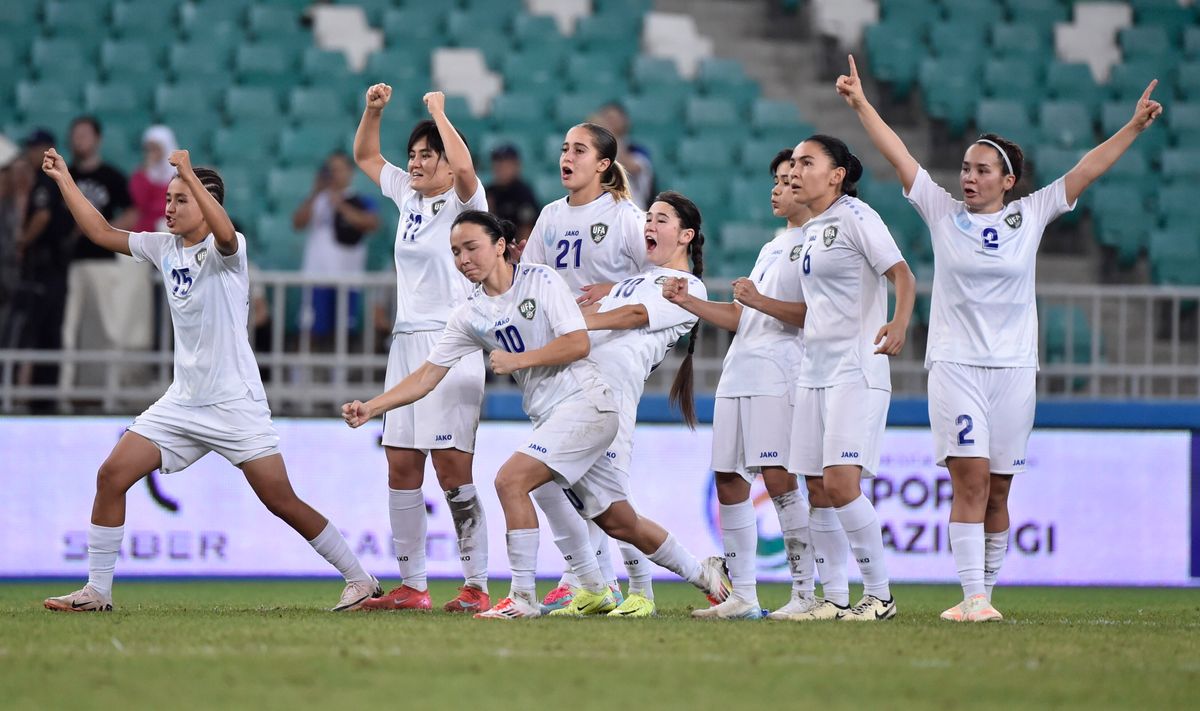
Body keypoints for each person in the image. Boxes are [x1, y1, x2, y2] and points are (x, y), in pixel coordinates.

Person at [836, 55, 1163, 622]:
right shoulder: (941, 212)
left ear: (1008, 181)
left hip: (1014, 370)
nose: (969, 177)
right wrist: (862, 105)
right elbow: (899, 155)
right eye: (966, 167)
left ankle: (984, 595)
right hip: (955, 366)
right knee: (971, 480)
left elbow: (1087, 169)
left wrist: (1133, 127)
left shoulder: (1031, 215)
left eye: (983, 170)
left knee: (1000, 491)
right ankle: (973, 596)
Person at [341, 210, 731, 619]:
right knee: (620, 520)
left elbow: (578, 343)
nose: (463, 259)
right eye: (455, 252)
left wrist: (519, 360)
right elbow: (427, 375)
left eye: (471, 247)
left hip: (588, 403)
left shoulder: (541, 280)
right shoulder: (470, 314)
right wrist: (372, 406)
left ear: (500, 246)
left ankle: (523, 597)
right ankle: (705, 578)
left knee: (511, 480)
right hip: (554, 415)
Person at [38, 147, 380, 613]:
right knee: (111, 475)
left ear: (206, 203)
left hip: (234, 403)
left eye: (181, 199)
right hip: (183, 402)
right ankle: (97, 591)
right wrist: (64, 179)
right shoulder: (163, 247)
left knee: (280, 500)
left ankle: (361, 580)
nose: (169, 208)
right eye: (169, 198)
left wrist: (188, 174)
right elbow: (101, 232)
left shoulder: (228, 251)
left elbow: (224, 233)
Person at [661, 151, 820, 619]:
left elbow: (817, 315)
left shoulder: (820, 243)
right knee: (729, 480)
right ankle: (743, 596)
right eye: (776, 180)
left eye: (788, 180)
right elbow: (740, 315)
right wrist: (690, 302)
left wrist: (760, 300)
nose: (778, 188)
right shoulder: (774, 245)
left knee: (779, 480)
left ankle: (805, 593)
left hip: (779, 373)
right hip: (740, 370)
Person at [352, 84, 492, 613]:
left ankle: (476, 585)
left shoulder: (465, 202)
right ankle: (413, 587)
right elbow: (366, 155)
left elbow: (466, 167)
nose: (414, 162)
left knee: (452, 470)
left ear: (447, 164)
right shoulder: (407, 197)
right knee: (401, 467)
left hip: (452, 341)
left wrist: (437, 111)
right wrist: (373, 111)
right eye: (412, 154)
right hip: (406, 342)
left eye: (426, 155)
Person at [780, 133, 915, 621]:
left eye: (806, 162)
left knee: (840, 484)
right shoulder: (812, 228)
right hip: (814, 371)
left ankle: (880, 595)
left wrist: (898, 322)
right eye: (794, 163)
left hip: (855, 368)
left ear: (836, 175)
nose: (795, 171)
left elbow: (903, 274)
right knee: (816, 489)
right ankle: (834, 598)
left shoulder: (857, 217)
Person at [521, 121, 648, 613]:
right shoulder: (551, 216)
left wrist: (613, 291)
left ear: (603, 164)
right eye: (564, 148)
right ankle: (593, 580)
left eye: (579, 150)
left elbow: (661, 276)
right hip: (565, 359)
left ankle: (614, 585)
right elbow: (531, 278)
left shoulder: (625, 216)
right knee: (569, 474)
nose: (566, 157)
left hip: (612, 356)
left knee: (604, 474)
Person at [574, 190, 715, 618]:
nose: (649, 225)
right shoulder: (635, 279)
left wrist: (579, 321)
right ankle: (598, 587)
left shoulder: (687, 288)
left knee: (611, 501)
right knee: (581, 494)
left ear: (686, 235)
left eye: (662, 219)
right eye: (648, 217)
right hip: (583, 386)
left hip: (613, 393)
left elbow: (635, 316)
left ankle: (654, 589)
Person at [60, 115, 141, 393]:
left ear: (97, 139)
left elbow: (132, 212)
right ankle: (63, 391)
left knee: (109, 326)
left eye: (84, 134)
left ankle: (110, 391)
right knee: (67, 328)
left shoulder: (111, 176)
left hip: (102, 260)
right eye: (75, 134)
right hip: (69, 261)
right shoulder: (65, 174)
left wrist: (104, 231)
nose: (79, 140)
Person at [14, 129, 74, 412]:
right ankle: (42, 396)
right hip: (55, 267)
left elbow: (43, 215)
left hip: (45, 268)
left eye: (35, 147)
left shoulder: (46, 181)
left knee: (38, 331)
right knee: (47, 332)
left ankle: (40, 398)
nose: (30, 153)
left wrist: (21, 243)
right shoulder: (59, 181)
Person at [293, 151, 380, 342]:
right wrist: (316, 193)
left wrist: (340, 205)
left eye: (339, 169)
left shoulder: (359, 200)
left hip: (347, 278)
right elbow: (297, 223)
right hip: (317, 278)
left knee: (342, 336)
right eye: (330, 169)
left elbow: (371, 223)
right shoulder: (317, 200)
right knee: (313, 334)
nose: (334, 174)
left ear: (350, 171)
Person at [590, 102, 655, 209]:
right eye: (606, 118)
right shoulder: (593, 152)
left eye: (614, 119)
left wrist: (609, 135)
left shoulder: (637, 151)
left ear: (625, 121)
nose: (610, 123)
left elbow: (632, 167)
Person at [483, 143, 539, 247]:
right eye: (498, 163)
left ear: (516, 165)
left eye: (506, 164)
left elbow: (527, 231)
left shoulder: (523, 193)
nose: (501, 167)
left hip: (515, 248)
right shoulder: (488, 192)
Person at [128, 125, 177, 233]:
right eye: (148, 149)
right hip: (146, 229)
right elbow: (139, 203)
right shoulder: (140, 175)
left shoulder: (180, 174)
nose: (151, 153)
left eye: (155, 148)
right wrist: (146, 173)